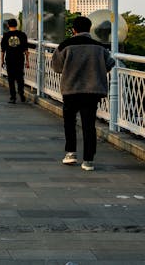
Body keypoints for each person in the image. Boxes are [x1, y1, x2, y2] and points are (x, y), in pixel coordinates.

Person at [50, 16, 116, 171]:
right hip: (92, 90)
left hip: (71, 89)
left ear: (73, 29)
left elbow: (57, 67)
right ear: (89, 28)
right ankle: (88, 161)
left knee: (69, 122)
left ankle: (71, 153)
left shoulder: (65, 45)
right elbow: (110, 63)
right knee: (89, 125)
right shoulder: (99, 46)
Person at [0, 19, 29, 103]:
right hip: (20, 59)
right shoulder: (22, 35)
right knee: (20, 77)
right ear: (17, 25)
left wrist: (2, 61)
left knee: (11, 79)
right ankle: (21, 93)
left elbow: (3, 50)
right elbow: (26, 49)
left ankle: (13, 97)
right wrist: (27, 61)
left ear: (8, 25)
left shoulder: (6, 35)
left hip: (9, 59)